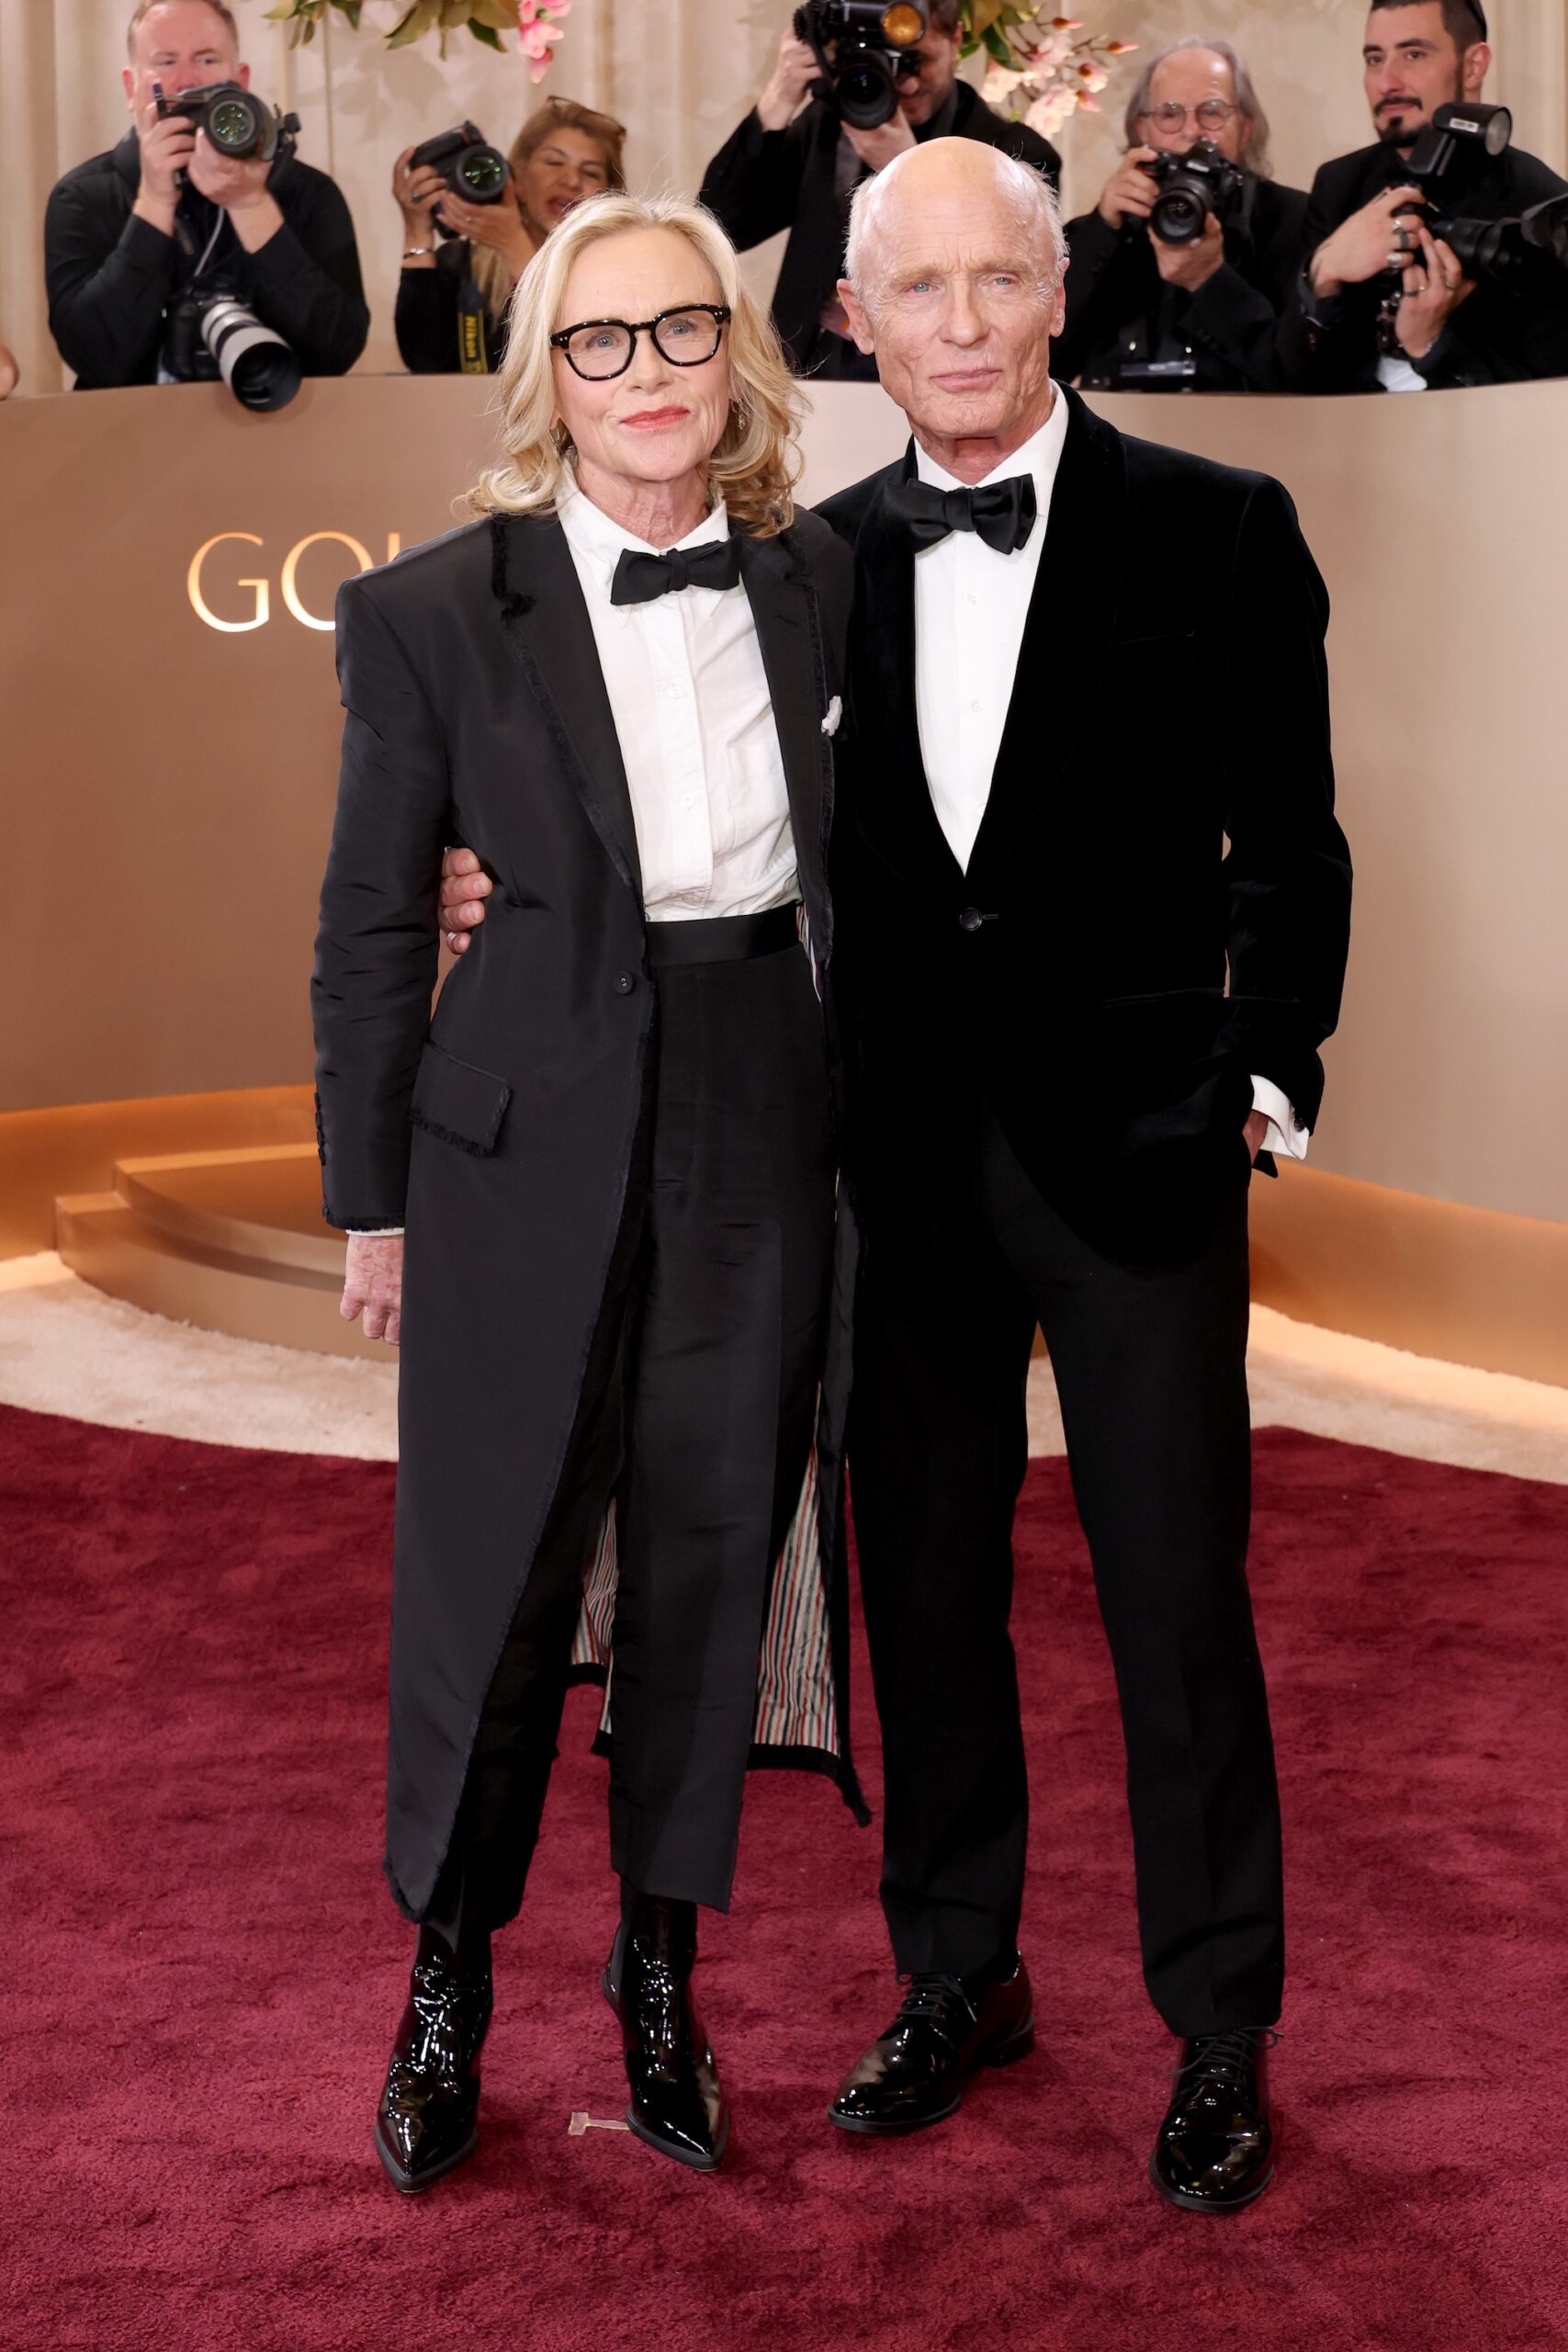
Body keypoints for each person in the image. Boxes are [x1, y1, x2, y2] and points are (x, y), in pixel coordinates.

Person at [442, 134, 1351, 2212]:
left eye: (991, 283)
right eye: (909, 292)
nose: (952, 326)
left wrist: (1260, 1074)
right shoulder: (807, 558)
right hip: (890, 1168)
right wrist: (487, 875)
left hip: (1135, 1154)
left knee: (1171, 1604)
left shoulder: (1220, 528)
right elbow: (671, 802)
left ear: (1058, 291)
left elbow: (1288, 846)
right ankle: (958, 1969)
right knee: (922, 1600)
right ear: (846, 319)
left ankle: (1217, 2021)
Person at [312, 189, 862, 2193]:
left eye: (681, 331)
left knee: (708, 1554)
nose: (645, 374)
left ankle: (658, 1975)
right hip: (518, 1130)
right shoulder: (433, 610)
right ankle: (446, 1977)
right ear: (548, 372)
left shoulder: (825, 584)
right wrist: (370, 1200)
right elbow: (374, 922)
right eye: (600, 339)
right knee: (499, 1570)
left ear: (735, 354)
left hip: (757, 1108)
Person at [698, 0, 1059, 379]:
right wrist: (780, 95)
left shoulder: (1015, 155)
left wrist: (908, 167)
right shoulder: (828, 124)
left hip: (946, 377)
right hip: (808, 374)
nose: (906, 82)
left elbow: (1010, 285)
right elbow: (719, 226)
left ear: (956, 40)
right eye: (888, 64)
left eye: (918, 61)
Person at [44, 0, 367, 392]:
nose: (187, 82)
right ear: (131, 88)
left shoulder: (306, 192)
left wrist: (251, 205)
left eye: (207, 60)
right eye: (165, 62)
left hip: (280, 437)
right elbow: (97, 361)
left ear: (241, 79)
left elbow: (336, 353)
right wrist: (154, 203)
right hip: (128, 439)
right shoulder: (83, 196)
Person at [1281, 0, 1568, 391]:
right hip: (1345, 442)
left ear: (1473, 65)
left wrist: (1431, 343)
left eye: (1413, 54)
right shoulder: (1339, 184)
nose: (1387, 82)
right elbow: (1293, 380)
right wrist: (1323, 276)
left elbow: (1546, 410)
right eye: (1374, 59)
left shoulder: (1540, 205)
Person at [1055, 39, 1307, 393]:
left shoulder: (1296, 222)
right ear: (1142, 131)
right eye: (1170, 114)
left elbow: (1301, 375)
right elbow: (1044, 364)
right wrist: (1103, 228)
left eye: (1213, 112)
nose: (1192, 132)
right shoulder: (1100, 231)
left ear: (1246, 127)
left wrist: (1210, 281)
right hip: (1124, 442)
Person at [393, 96, 626, 375]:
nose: (572, 180)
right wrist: (418, 233)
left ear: (608, 194)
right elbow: (423, 360)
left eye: (590, 172)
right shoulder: (462, 262)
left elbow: (575, 360)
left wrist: (512, 243)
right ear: (518, 177)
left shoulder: (615, 272)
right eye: (554, 163)